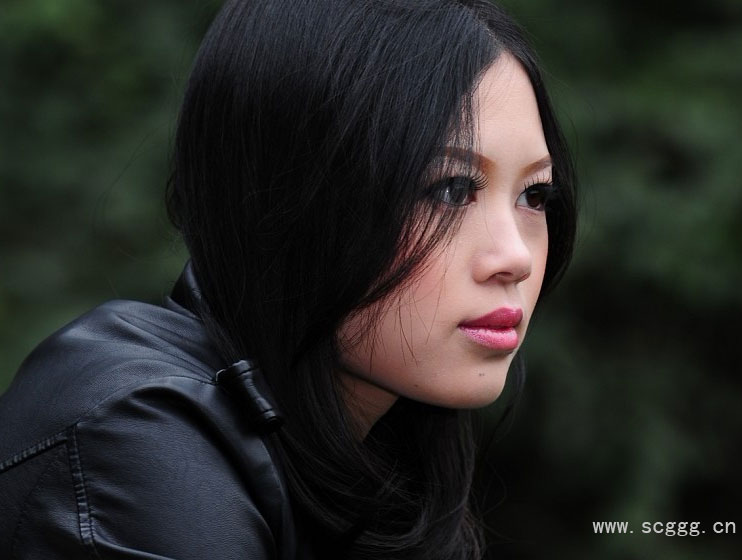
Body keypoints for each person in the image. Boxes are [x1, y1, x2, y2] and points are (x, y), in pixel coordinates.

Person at [0, 0, 577, 558]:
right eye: (450, 189)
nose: (515, 257)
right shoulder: (132, 437)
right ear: (293, 196)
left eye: (535, 194)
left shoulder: (378, 457)